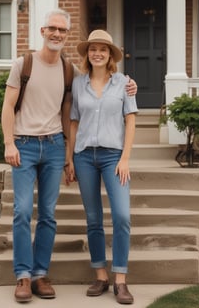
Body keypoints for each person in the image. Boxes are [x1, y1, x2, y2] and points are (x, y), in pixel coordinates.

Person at [1, 9, 137, 303]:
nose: (57, 34)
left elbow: (76, 115)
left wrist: (66, 154)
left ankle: (41, 274)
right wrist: (9, 142)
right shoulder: (26, 65)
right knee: (24, 211)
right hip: (26, 146)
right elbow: (10, 106)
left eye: (62, 30)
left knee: (49, 215)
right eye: (52, 28)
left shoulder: (73, 72)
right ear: (42, 31)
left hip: (56, 147)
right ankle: (24, 277)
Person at [65, 30, 138, 304]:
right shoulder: (77, 84)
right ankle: (100, 275)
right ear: (87, 54)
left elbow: (130, 120)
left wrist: (125, 158)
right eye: (93, 49)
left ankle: (120, 279)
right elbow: (73, 122)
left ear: (110, 56)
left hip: (113, 157)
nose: (97, 53)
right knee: (93, 219)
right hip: (84, 156)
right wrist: (69, 158)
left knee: (121, 216)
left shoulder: (124, 84)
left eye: (103, 50)